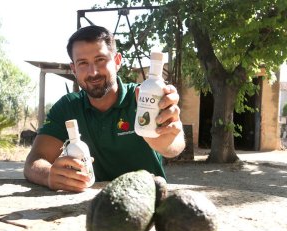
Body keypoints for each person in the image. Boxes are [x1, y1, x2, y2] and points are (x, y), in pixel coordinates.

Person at [24, 25, 185, 192]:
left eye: (100, 60)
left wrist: (166, 140)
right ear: (74, 69)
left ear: (117, 61)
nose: (93, 72)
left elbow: (175, 147)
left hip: (147, 202)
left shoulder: (144, 97)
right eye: (83, 63)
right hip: (91, 207)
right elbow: (34, 161)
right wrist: (49, 175)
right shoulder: (67, 107)